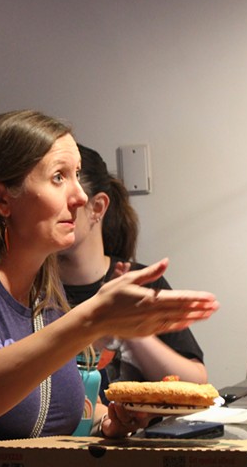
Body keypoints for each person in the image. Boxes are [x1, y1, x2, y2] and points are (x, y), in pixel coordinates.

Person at [0, 110, 218, 465]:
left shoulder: (45, 294)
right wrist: (91, 319)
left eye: (76, 176)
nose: (78, 197)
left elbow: (45, 411)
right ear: (1, 199)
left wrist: (106, 420)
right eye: (59, 177)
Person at [58, 144, 207, 393]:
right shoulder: (35, 289)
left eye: (69, 203)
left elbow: (197, 385)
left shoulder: (140, 281)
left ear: (97, 208)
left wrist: (131, 328)